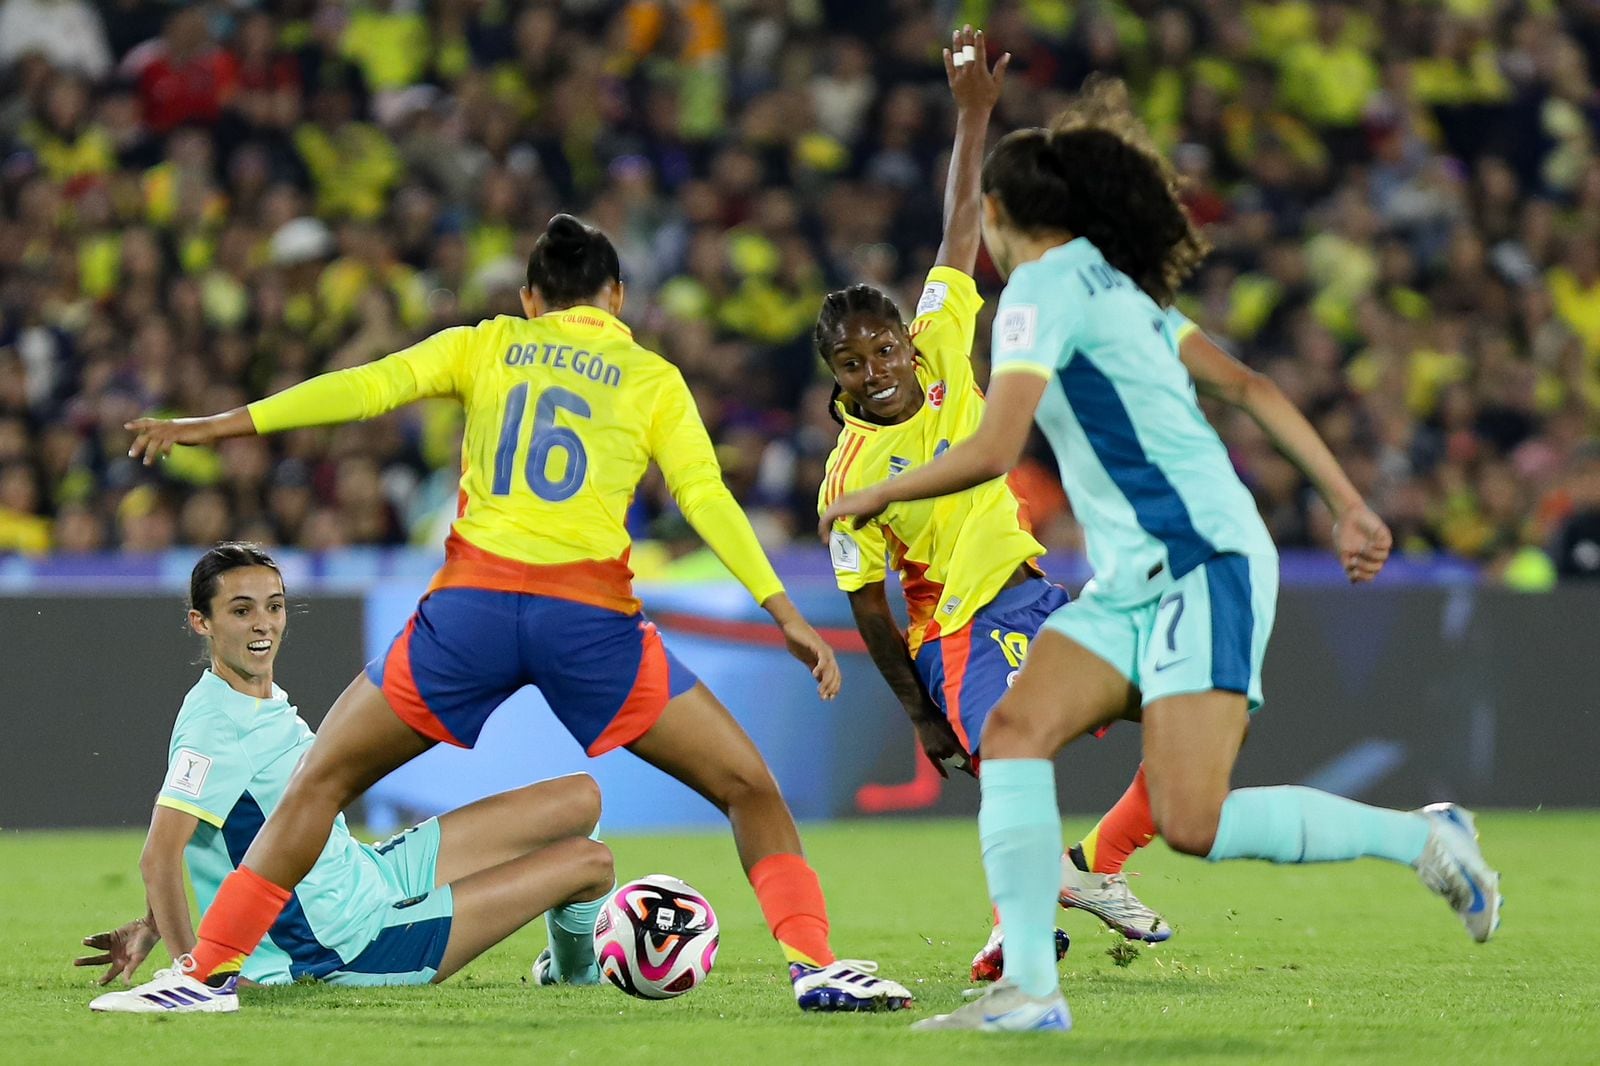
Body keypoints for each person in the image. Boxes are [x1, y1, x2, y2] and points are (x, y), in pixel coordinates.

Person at [93, 216, 913, 1014]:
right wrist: (780, 607)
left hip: (472, 611)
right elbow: (705, 498)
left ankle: (203, 975)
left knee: (321, 782)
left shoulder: (486, 342)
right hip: (588, 620)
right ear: (617, 297)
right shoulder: (650, 376)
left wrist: (217, 426)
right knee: (747, 787)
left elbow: (366, 388)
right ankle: (815, 968)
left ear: (530, 297)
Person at [821, 78, 1502, 1034]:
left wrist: (877, 491)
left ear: (1008, 217)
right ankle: (1029, 987)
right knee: (1017, 737)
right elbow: (1250, 384)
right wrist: (1346, 502)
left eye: (990, 213)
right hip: (1141, 575)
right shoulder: (1111, 285)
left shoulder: (1036, 299)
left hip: (1200, 564)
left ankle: (1424, 838)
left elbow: (994, 449)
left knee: (1196, 822)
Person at [814, 28, 1168, 984]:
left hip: (1039, 594)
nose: (879, 368)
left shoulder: (937, 346)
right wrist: (922, 716)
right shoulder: (849, 479)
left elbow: (959, 229)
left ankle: (1086, 869)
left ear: (901, 337)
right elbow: (868, 608)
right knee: (1014, 766)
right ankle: (1019, 928)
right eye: (854, 363)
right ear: (835, 376)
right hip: (958, 630)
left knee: (1186, 704)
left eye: (883, 348)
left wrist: (974, 115)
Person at [83, 544, 613, 1010]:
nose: (263, 623)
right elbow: (160, 853)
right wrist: (191, 971)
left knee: (580, 797)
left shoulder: (251, 701)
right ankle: (575, 976)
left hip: (370, 875)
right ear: (203, 622)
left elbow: (198, 828)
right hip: (347, 943)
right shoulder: (216, 726)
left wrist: (151, 924)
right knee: (591, 862)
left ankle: (566, 970)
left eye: (273, 606)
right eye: (240, 611)